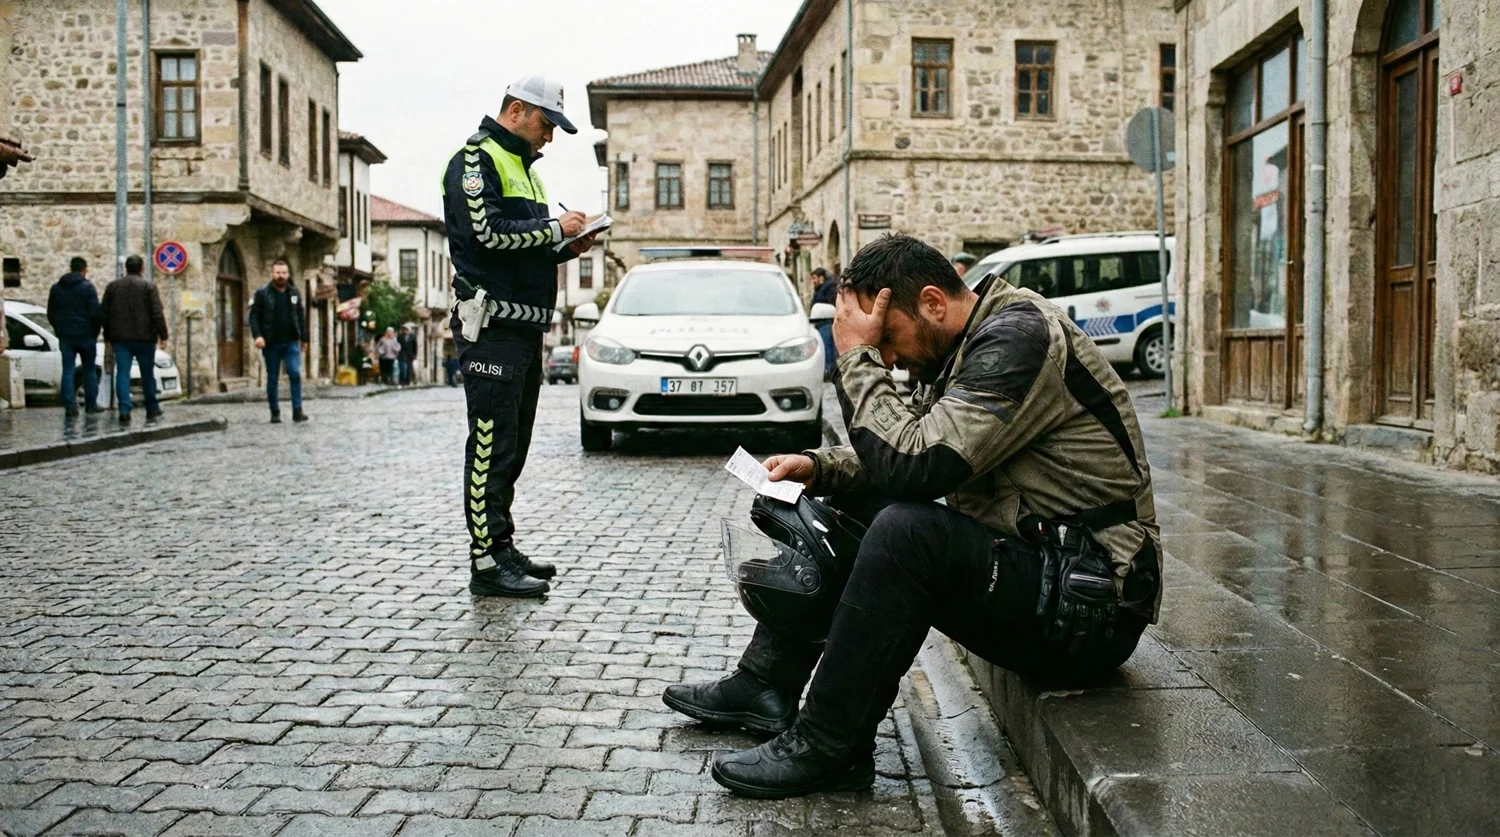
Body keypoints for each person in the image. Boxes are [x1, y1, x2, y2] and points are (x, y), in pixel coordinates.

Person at [662, 234, 1162, 799]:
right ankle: (763, 684)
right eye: (880, 346)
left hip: (1090, 608)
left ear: (932, 302)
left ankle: (831, 743)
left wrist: (854, 357)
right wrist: (819, 468)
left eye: (889, 339)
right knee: (857, 506)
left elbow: (918, 466)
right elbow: (915, 445)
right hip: (1047, 574)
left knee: (907, 533)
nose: (890, 358)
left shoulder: (1016, 341)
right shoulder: (968, 344)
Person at [442, 74, 597, 598]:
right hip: (492, 329)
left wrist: (565, 249)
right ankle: (486, 562)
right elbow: (486, 235)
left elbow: (521, 245)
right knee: (490, 442)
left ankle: (501, 545)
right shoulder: (474, 160)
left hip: (525, 330)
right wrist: (556, 230)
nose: (549, 137)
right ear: (516, 110)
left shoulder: (526, 170)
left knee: (514, 444)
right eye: (546, 124)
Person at [100, 255, 169, 423]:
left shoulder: (113, 287)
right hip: (145, 338)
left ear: (126, 268)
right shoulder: (149, 286)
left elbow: (104, 313)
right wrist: (163, 335)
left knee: (122, 373)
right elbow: (156, 313)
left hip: (120, 338)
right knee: (147, 374)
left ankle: (124, 408)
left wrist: (107, 335)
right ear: (142, 268)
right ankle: (151, 408)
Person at [248, 259, 308, 424]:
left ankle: (297, 410)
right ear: (272, 274)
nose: (281, 276)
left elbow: (300, 316)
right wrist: (257, 335)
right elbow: (254, 317)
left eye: (284, 273)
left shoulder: (294, 293)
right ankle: (275, 411)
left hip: (291, 342)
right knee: (272, 377)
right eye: (278, 273)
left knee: (295, 373)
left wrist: (304, 338)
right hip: (271, 342)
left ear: (288, 274)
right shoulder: (262, 294)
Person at [46, 257, 102, 416]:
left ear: (70, 268)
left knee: (68, 370)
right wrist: (95, 331)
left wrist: (59, 329)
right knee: (89, 370)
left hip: (66, 336)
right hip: (86, 335)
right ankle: (91, 404)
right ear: (85, 269)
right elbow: (95, 313)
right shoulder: (88, 288)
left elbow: (51, 313)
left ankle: (70, 406)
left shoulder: (56, 288)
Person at [810, 268, 838, 378]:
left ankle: (829, 368)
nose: (813, 281)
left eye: (814, 278)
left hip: (826, 321)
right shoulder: (821, 289)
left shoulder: (829, 287)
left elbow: (831, 303)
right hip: (820, 321)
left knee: (827, 346)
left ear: (821, 278)